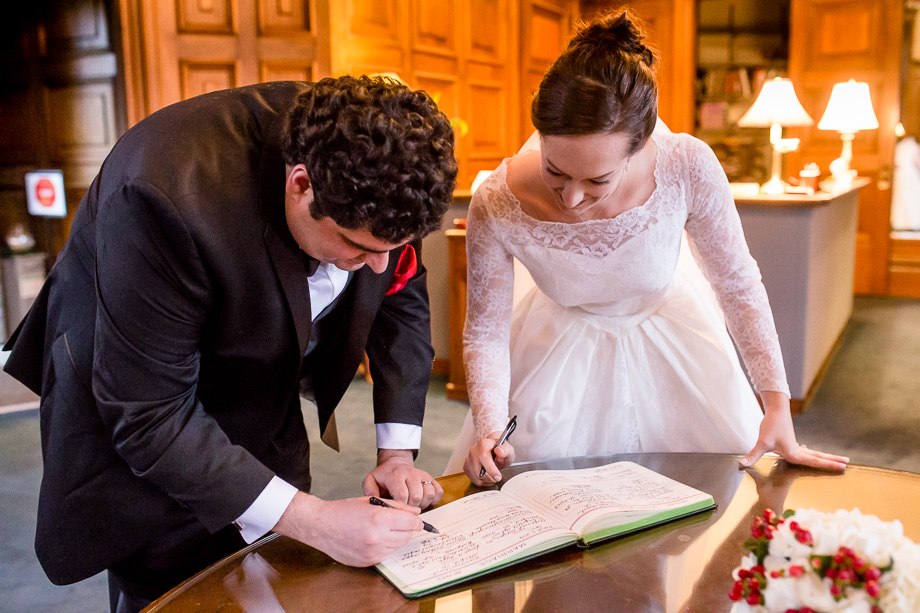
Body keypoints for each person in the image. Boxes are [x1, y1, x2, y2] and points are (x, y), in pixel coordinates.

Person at [3, 75, 458, 612]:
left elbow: (399, 296)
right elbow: (150, 415)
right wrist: (316, 520)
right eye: (359, 248)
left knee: (276, 573)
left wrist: (397, 454)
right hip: (140, 407)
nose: (379, 266)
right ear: (300, 185)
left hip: (266, 393)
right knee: (175, 594)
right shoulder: (162, 193)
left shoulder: (383, 175)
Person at [445, 10, 849, 485]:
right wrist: (492, 428)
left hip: (675, 343)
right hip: (558, 354)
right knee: (542, 498)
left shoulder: (687, 166)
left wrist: (776, 404)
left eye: (597, 179)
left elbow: (737, 283)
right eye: (555, 171)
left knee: (705, 496)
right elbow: (485, 333)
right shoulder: (496, 200)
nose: (572, 199)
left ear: (638, 148)